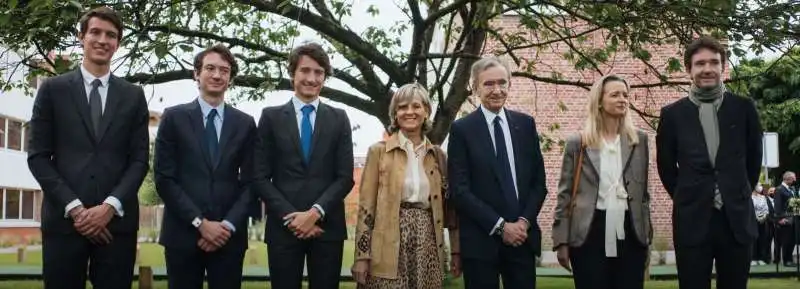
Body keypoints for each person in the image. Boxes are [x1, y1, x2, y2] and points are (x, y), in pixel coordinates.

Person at [26, 6, 149, 289]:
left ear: (118, 44)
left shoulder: (133, 96)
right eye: (95, 32)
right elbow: (38, 157)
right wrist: (78, 210)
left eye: (111, 35)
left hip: (116, 227)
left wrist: (108, 207)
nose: (103, 40)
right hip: (64, 223)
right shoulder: (52, 90)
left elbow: (139, 160)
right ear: (81, 36)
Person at [656, 35, 763, 289]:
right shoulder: (672, 115)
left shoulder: (744, 108)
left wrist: (735, 192)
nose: (707, 69)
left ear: (722, 67)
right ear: (688, 69)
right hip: (692, 220)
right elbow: (666, 168)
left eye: (714, 62)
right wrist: (689, 195)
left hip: (736, 220)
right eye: (700, 63)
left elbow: (754, 161)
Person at [154, 44, 256, 289]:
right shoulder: (173, 118)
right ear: (196, 74)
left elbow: (253, 182)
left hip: (228, 237)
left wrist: (227, 226)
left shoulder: (245, 124)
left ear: (230, 78)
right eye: (210, 68)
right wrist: (200, 223)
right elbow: (164, 179)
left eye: (224, 70)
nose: (217, 75)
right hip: (182, 235)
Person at [254, 42, 355, 289]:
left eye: (318, 72)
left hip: (327, 228)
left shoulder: (339, 118)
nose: (311, 78)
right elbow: (258, 176)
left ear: (325, 77)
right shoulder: (270, 117)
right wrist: (292, 218)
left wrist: (314, 214)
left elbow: (345, 178)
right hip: (283, 227)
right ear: (293, 73)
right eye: (305, 71)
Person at [447, 57, 547, 289]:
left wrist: (522, 223)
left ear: (509, 85)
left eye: (502, 83)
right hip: (481, 243)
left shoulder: (525, 125)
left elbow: (538, 183)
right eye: (489, 84)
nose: (497, 90)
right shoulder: (462, 130)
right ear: (475, 88)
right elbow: (460, 191)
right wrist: (501, 227)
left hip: (522, 240)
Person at [351, 83, 461, 288]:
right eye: (402, 107)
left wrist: (455, 251)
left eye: (416, 106)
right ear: (394, 113)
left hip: (427, 241)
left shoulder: (438, 156)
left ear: (426, 111)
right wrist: (361, 255)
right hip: (386, 244)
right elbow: (366, 209)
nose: (409, 112)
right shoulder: (378, 152)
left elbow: (452, 210)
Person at [552, 75, 651, 289]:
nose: (622, 99)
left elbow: (643, 195)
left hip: (630, 231)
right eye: (615, 94)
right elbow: (565, 194)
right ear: (599, 100)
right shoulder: (578, 142)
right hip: (589, 232)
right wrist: (561, 241)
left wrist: (646, 238)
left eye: (625, 95)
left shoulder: (639, 140)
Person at [774, 171, 798, 267]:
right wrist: (779, 219)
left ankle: (790, 259)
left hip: (793, 218)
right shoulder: (780, 189)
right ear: (787, 178)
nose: (795, 179)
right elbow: (777, 205)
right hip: (785, 219)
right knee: (786, 240)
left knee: (792, 240)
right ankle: (786, 260)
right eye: (793, 178)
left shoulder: (791, 189)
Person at [751, 184, 773, 266]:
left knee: (762, 239)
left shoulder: (763, 197)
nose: (760, 187)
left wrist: (763, 217)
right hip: (752, 221)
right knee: (754, 240)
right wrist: (755, 217)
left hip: (762, 221)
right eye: (758, 185)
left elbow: (766, 209)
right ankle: (753, 258)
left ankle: (761, 258)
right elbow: (750, 209)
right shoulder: (749, 197)